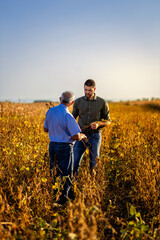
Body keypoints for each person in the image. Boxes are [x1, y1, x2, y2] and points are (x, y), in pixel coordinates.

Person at [44, 91, 87, 204]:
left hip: (52, 146)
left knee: (54, 171)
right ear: (72, 102)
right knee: (67, 173)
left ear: (60, 99)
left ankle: (54, 196)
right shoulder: (68, 115)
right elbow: (75, 136)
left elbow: (45, 129)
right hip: (65, 148)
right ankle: (63, 199)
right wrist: (82, 136)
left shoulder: (50, 111)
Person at [72, 79, 111, 176]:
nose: (87, 92)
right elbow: (72, 119)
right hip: (81, 136)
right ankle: (73, 186)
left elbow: (108, 121)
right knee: (74, 163)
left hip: (95, 136)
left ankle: (92, 186)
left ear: (94, 89)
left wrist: (98, 124)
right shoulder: (78, 102)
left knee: (94, 165)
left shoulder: (102, 102)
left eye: (90, 90)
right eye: (85, 90)